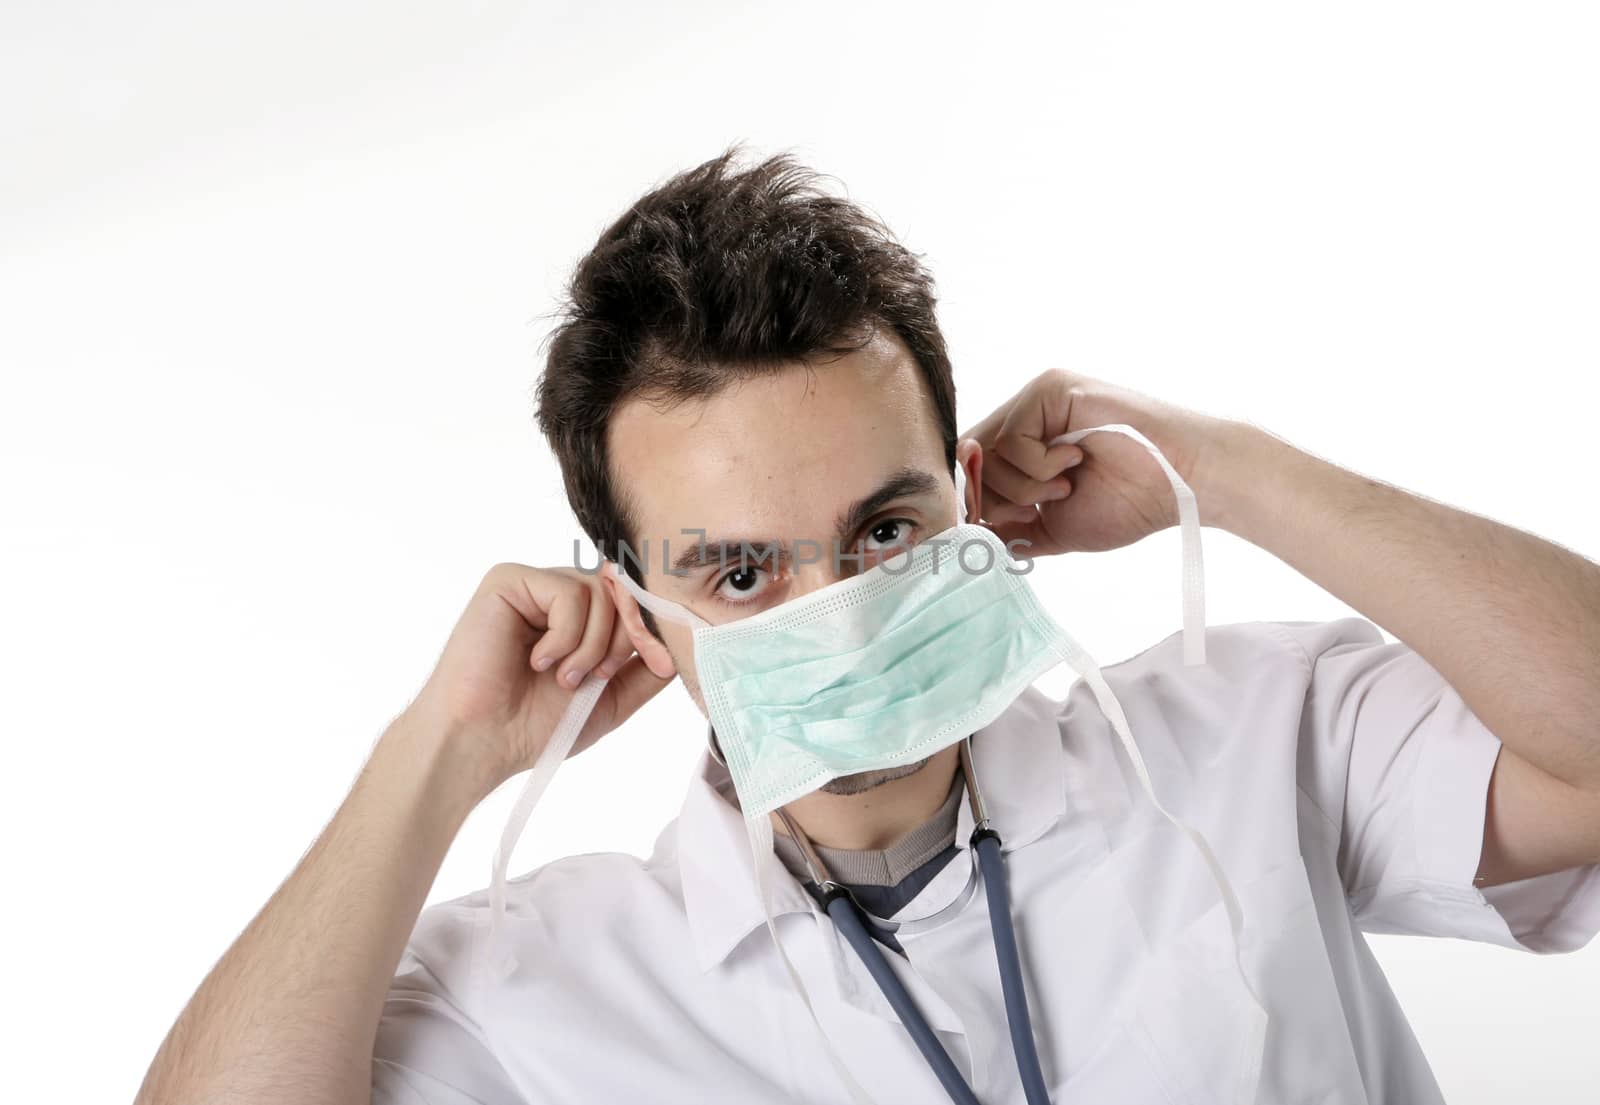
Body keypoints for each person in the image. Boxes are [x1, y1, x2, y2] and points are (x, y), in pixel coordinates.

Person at [133, 145, 1600, 1105]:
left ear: (970, 503)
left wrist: (1216, 471)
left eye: (885, 533)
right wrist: (434, 756)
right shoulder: (545, 983)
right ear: (635, 607)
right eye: (741, 575)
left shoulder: (1248, 740)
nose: (836, 620)